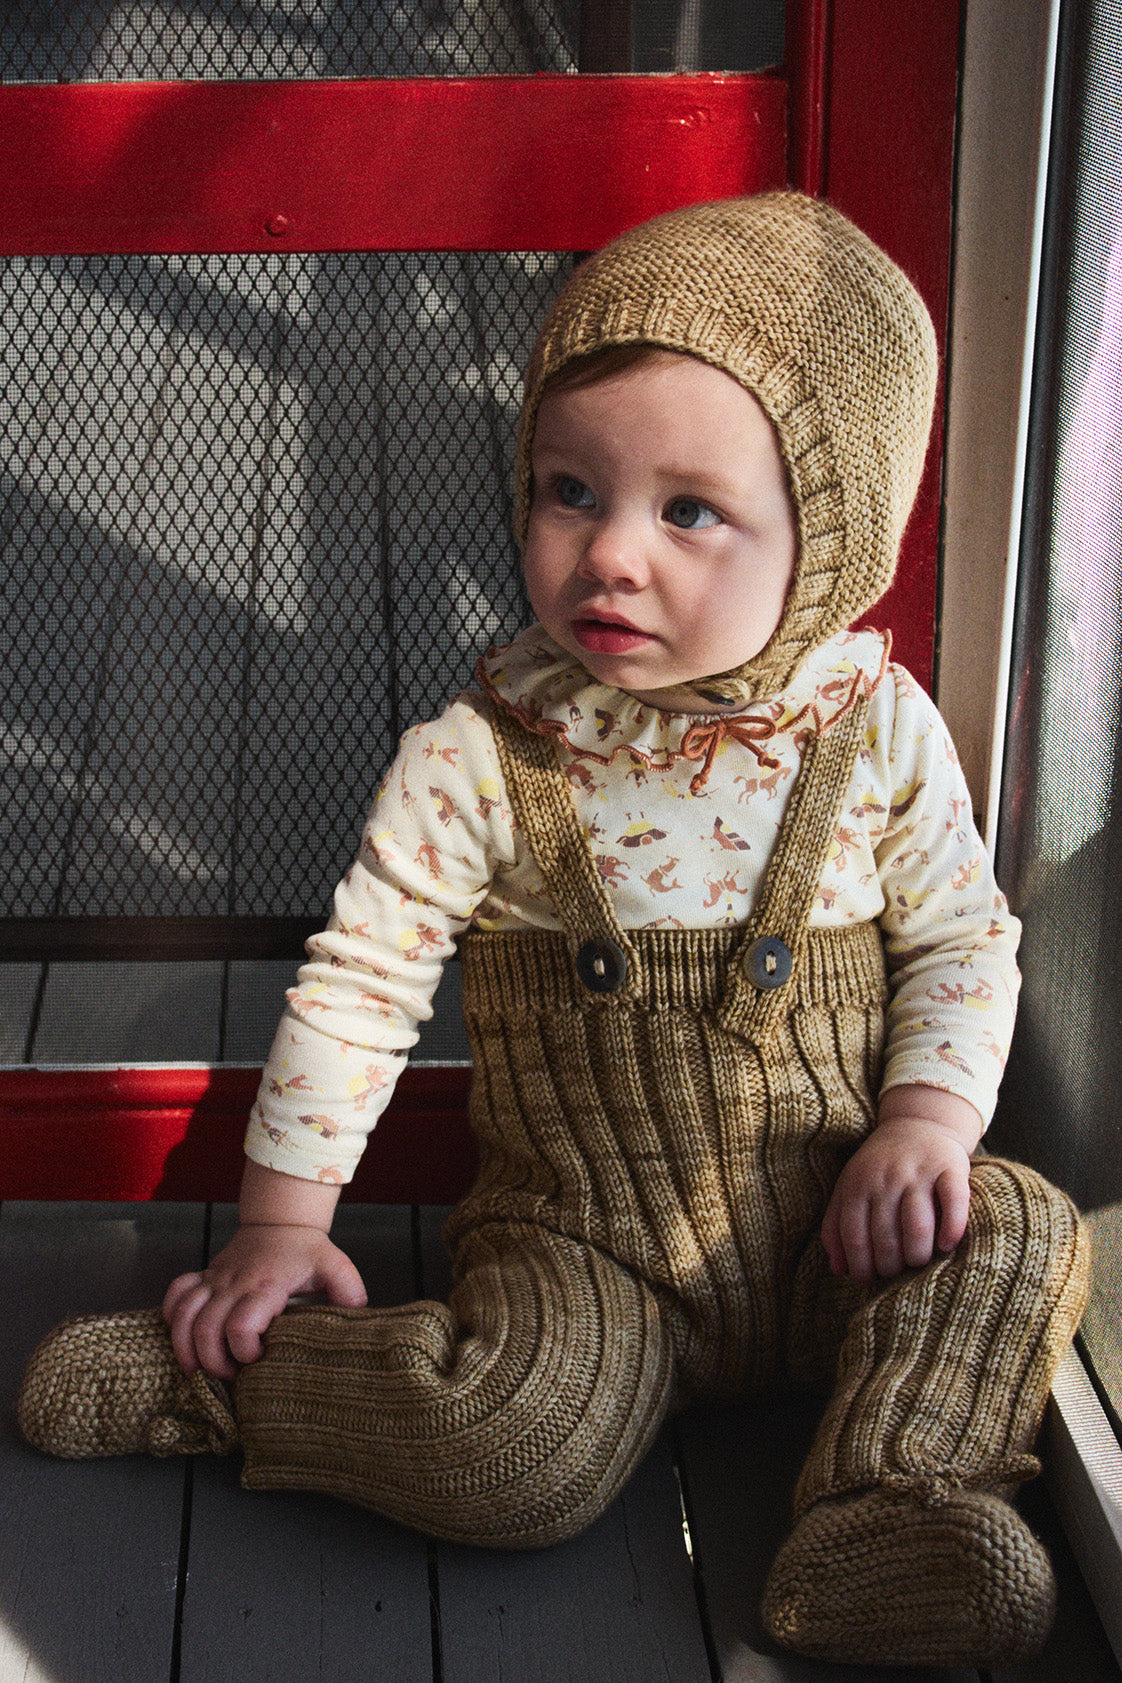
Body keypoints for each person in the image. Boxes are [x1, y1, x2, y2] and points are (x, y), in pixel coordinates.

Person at [18, 193, 1089, 1669]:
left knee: (1021, 1225)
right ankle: (237, 1383)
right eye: (567, 489)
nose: (610, 556)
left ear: (826, 540)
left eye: (687, 511)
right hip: (588, 1255)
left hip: (839, 1227)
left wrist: (918, 1124)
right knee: (515, 1452)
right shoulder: (489, 749)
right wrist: (279, 1231)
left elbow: (965, 942)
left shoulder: (878, 729)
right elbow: (364, 982)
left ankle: (890, 1502)